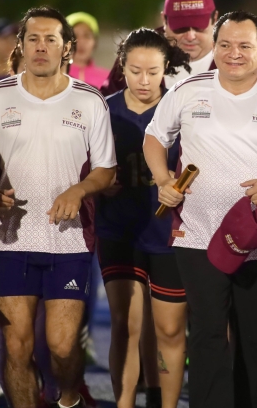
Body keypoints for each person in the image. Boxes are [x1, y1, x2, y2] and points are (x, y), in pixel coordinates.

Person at [144, 11, 257, 408]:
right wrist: (162, 180)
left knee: (256, 337)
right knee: (206, 333)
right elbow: (155, 137)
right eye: (225, 44)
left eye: (244, 46)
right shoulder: (190, 89)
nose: (233, 53)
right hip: (197, 233)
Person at [0, 6, 116, 408]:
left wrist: (79, 190)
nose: (41, 47)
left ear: (68, 48)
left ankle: (68, 396)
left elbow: (106, 171)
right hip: (9, 240)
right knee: (16, 347)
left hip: (69, 241)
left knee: (63, 347)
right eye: (33, 38)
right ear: (20, 45)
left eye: (51, 39)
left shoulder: (89, 101)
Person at [96, 28, 192, 408]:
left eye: (153, 71)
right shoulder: (103, 108)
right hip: (119, 229)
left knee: (169, 329)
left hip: (168, 233)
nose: (145, 81)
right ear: (122, 67)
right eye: (136, 71)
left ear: (166, 67)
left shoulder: (182, 109)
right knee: (126, 324)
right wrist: (98, 184)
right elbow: (84, 165)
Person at [66, 12, 110, 89]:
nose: (80, 42)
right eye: (74, 36)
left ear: (95, 42)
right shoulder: (53, 76)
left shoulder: (108, 79)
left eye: (87, 36)